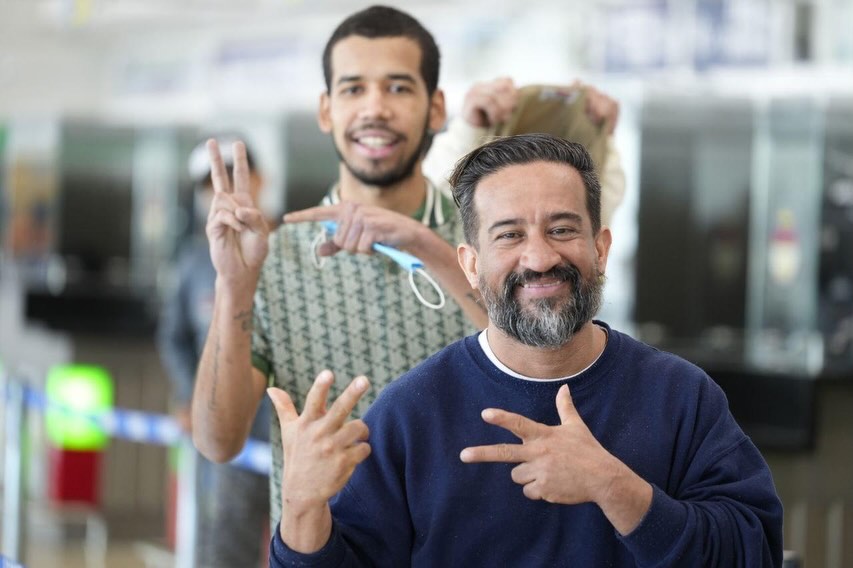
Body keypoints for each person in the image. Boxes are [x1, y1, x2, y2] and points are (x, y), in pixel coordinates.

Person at [191, 4, 623, 528]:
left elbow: (551, 363)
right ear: (327, 111)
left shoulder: (494, 238)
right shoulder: (275, 257)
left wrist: (428, 247)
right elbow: (218, 441)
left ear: (436, 110)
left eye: (398, 88)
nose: (375, 108)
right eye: (353, 89)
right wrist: (235, 285)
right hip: (330, 552)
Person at [267, 134, 784, 567]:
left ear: (600, 248)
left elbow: (756, 552)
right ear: (470, 264)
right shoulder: (410, 412)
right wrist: (301, 507)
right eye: (509, 236)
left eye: (562, 230)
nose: (539, 257)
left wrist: (616, 488)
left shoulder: (680, 396)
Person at [157, 135, 270, 567]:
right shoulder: (192, 264)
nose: (220, 192)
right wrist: (190, 395)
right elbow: (173, 336)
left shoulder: (292, 251)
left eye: (233, 177)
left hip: (284, 434)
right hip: (227, 440)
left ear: (259, 179)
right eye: (209, 184)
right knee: (225, 543)